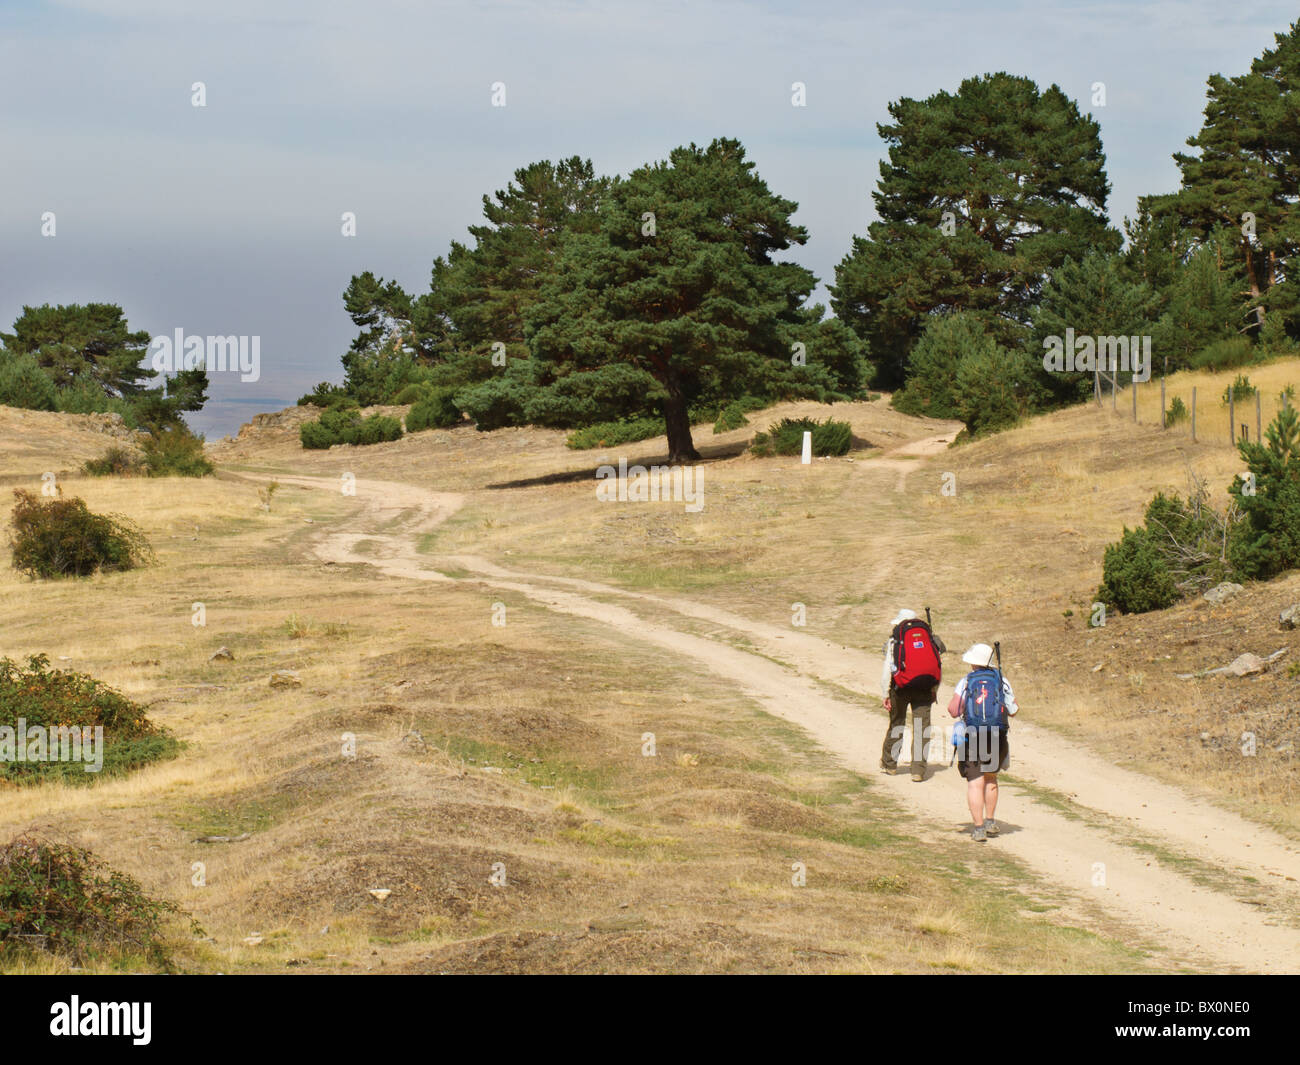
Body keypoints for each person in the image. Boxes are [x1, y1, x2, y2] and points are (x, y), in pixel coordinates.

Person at [947, 643, 1018, 842]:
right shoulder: (1002, 680)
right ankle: (990, 821)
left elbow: (953, 710)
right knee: (990, 779)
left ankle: (978, 829)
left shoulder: (966, 681)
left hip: (973, 735)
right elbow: (1014, 710)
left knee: (975, 783)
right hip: (996, 735)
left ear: (973, 663)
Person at [880, 608, 946, 781]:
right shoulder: (928, 637)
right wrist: (934, 690)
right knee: (921, 728)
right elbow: (936, 666)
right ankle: (918, 770)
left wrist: (885, 693)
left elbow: (888, 668)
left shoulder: (895, 639)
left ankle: (890, 764)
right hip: (925, 687)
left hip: (900, 687)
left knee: (897, 724)